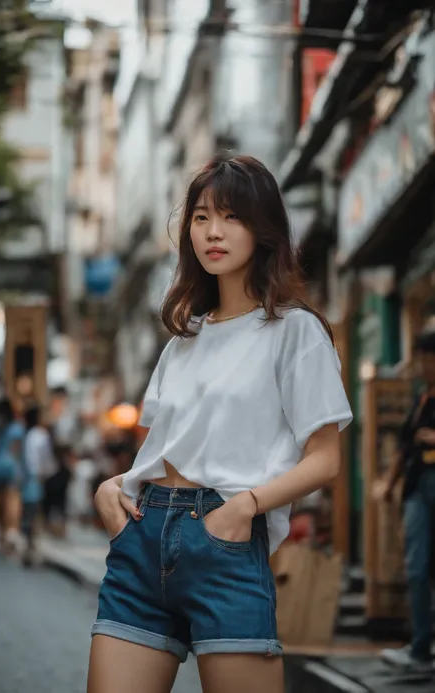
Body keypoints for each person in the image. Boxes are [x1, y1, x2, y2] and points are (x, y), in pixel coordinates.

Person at [89, 153, 353, 693]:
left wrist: (245, 507)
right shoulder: (184, 340)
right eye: (202, 216)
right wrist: (110, 489)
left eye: (232, 217)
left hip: (225, 541)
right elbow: (164, 449)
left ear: (264, 229)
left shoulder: (295, 332)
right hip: (141, 546)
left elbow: (325, 458)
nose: (214, 231)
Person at [378, 331, 435, 674]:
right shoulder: (421, 398)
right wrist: (390, 483)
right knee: (416, 567)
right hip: (417, 486)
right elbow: (403, 445)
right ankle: (419, 648)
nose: (424, 366)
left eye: (429, 359)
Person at [21, 405, 57, 566]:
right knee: (36, 513)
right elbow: (46, 460)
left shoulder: (26, 434)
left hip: (25, 479)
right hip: (37, 479)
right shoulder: (41, 435)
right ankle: (33, 548)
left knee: (28, 512)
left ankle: (28, 546)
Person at [0, 398, 25, 554]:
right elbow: (17, 451)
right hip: (10, 469)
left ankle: (1, 536)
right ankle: (11, 531)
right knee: (11, 500)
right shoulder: (17, 428)